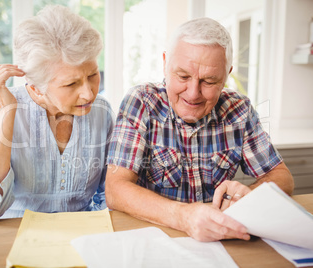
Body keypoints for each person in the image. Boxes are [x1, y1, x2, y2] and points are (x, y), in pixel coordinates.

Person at [105, 17, 294, 242]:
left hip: (218, 240)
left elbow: (282, 177)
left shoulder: (239, 110)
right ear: (165, 64)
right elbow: (115, 190)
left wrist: (250, 196)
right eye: (183, 76)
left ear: (226, 75)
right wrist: (183, 217)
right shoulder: (141, 102)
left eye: (209, 81)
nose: (193, 93)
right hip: (154, 237)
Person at [0, 5, 114, 223]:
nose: (88, 93)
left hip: (78, 234)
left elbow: (110, 193)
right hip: (8, 236)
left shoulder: (102, 112)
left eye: (93, 75)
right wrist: (7, 111)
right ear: (34, 88)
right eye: (71, 83)